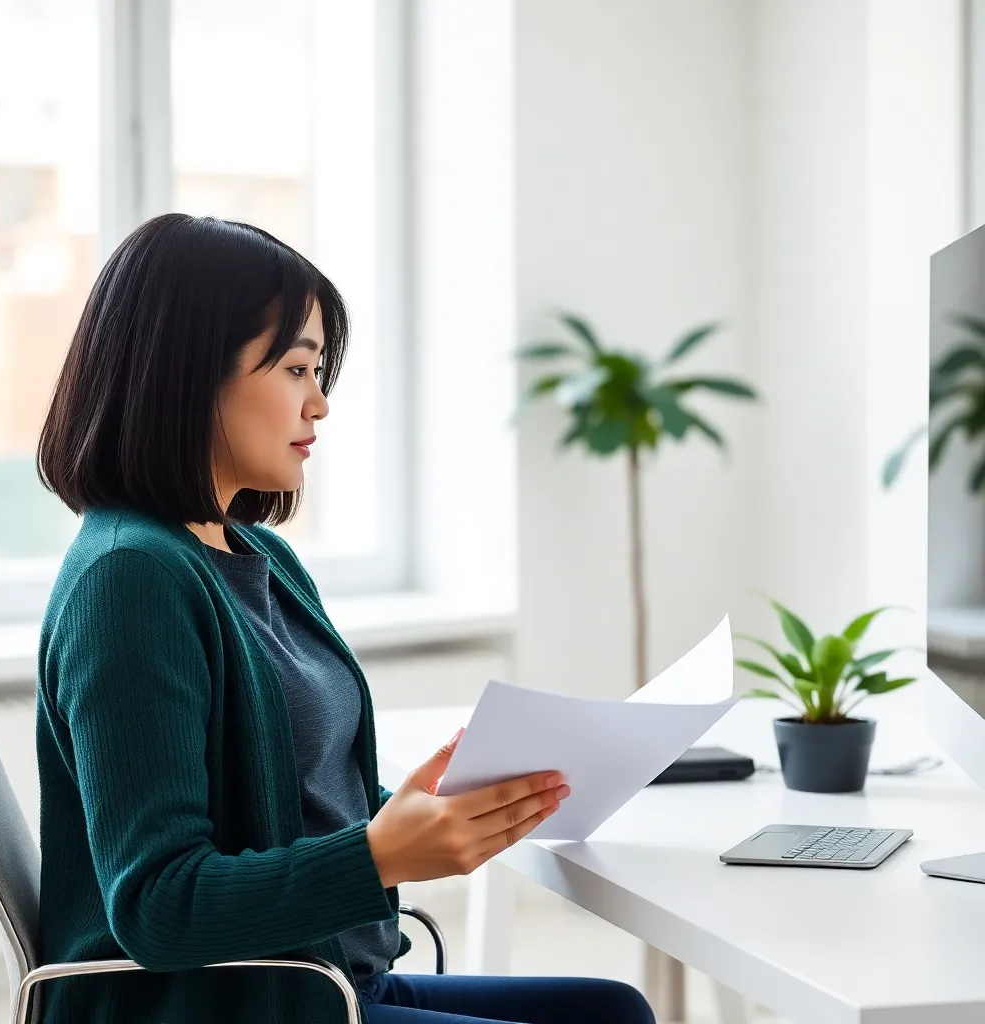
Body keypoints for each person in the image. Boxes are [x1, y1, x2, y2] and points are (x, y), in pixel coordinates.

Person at [35, 213, 656, 1024]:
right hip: (223, 1004)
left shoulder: (254, 556)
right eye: (296, 369)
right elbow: (157, 904)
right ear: (188, 375)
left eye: (319, 369)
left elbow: (289, 799)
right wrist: (379, 854)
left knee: (613, 1011)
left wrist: (423, 811)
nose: (320, 404)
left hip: (315, 977)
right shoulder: (129, 581)